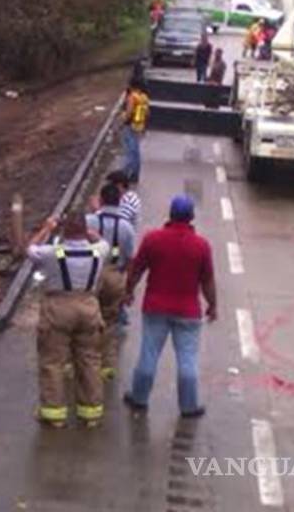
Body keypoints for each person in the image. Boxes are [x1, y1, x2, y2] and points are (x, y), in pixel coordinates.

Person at [123, 195, 217, 418]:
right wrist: (213, 305)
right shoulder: (201, 246)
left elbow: (136, 269)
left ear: (170, 214)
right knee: (187, 360)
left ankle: (139, 398)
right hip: (188, 312)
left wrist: (128, 291)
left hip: (155, 307)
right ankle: (188, 406)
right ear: (192, 217)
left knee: (149, 354)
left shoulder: (153, 239)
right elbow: (207, 280)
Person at [29, 212, 112, 428]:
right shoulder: (99, 252)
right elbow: (103, 241)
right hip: (89, 308)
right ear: (85, 229)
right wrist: (90, 233)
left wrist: (47, 228)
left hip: (58, 309)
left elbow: (30, 250)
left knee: (53, 362)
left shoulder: (51, 253)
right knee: (90, 360)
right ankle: (91, 413)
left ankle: (54, 414)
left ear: (64, 231)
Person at [88, 183, 137, 380]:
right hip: (115, 275)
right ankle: (106, 365)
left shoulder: (89, 221)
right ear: (119, 201)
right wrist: (129, 288)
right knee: (109, 320)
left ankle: (82, 361)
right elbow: (131, 258)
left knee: (87, 321)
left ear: (101, 199)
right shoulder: (126, 227)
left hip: (91, 274)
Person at [121, 81, 150, 184]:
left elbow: (129, 112)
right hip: (139, 126)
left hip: (130, 126)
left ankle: (124, 174)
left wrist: (123, 120)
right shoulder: (144, 98)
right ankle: (135, 175)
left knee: (129, 152)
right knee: (136, 152)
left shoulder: (132, 97)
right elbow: (147, 113)